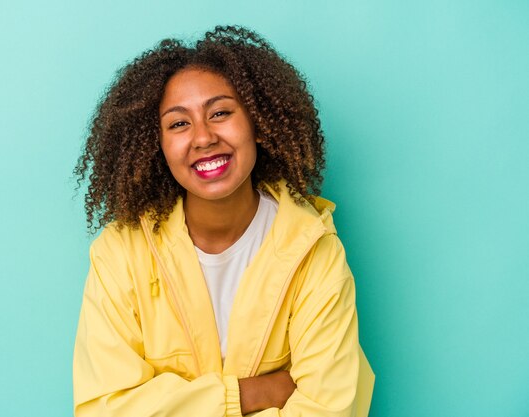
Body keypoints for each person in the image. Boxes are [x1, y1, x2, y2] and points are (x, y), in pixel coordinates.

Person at [73, 25, 374, 416]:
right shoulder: (119, 254)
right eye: (179, 123)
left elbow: (331, 408)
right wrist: (252, 394)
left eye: (220, 113)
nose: (203, 137)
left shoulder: (313, 249)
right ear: (156, 145)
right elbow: (103, 409)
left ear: (258, 123)